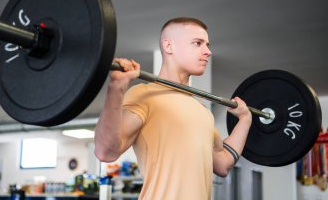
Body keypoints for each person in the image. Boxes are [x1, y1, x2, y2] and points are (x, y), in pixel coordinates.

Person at [94, 17, 252, 200]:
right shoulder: (145, 95)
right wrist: (117, 88)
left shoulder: (203, 112)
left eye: (207, 44)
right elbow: (105, 151)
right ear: (169, 47)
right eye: (197, 43)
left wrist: (245, 120)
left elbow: (222, 163)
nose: (208, 51)